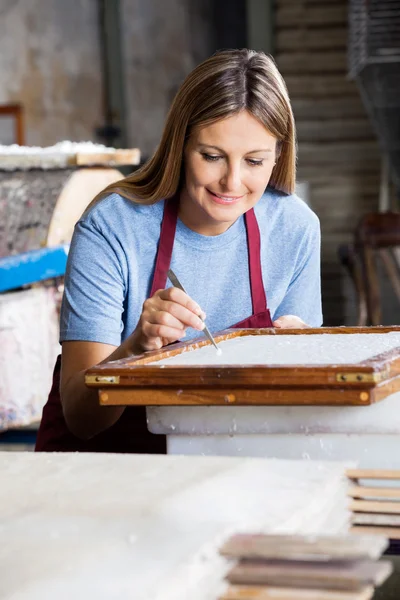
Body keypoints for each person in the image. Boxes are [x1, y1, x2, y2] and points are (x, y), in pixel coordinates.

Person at [35, 48, 322, 453]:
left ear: (278, 155)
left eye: (255, 161)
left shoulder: (296, 229)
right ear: (180, 145)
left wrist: (306, 361)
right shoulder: (113, 226)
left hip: (226, 461)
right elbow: (81, 418)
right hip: (105, 468)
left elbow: (304, 414)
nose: (232, 182)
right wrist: (137, 347)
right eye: (212, 156)